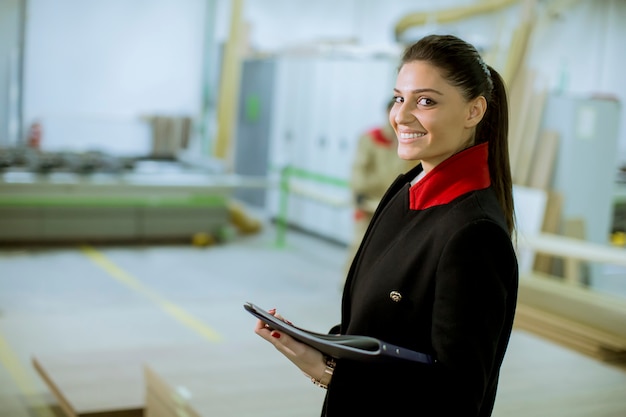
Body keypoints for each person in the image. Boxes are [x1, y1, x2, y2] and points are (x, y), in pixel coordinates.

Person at [253, 33, 518, 417]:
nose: (402, 116)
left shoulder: (474, 235)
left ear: (473, 112)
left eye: (425, 101)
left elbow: (456, 398)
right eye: (399, 98)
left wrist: (328, 372)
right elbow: (384, 328)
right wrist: (322, 346)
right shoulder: (404, 190)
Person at [344, 98, 419, 274]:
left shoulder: (410, 140)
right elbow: (358, 169)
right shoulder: (371, 138)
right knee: (360, 246)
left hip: (396, 203)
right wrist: (360, 192)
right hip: (369, 203)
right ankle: (349, 286)